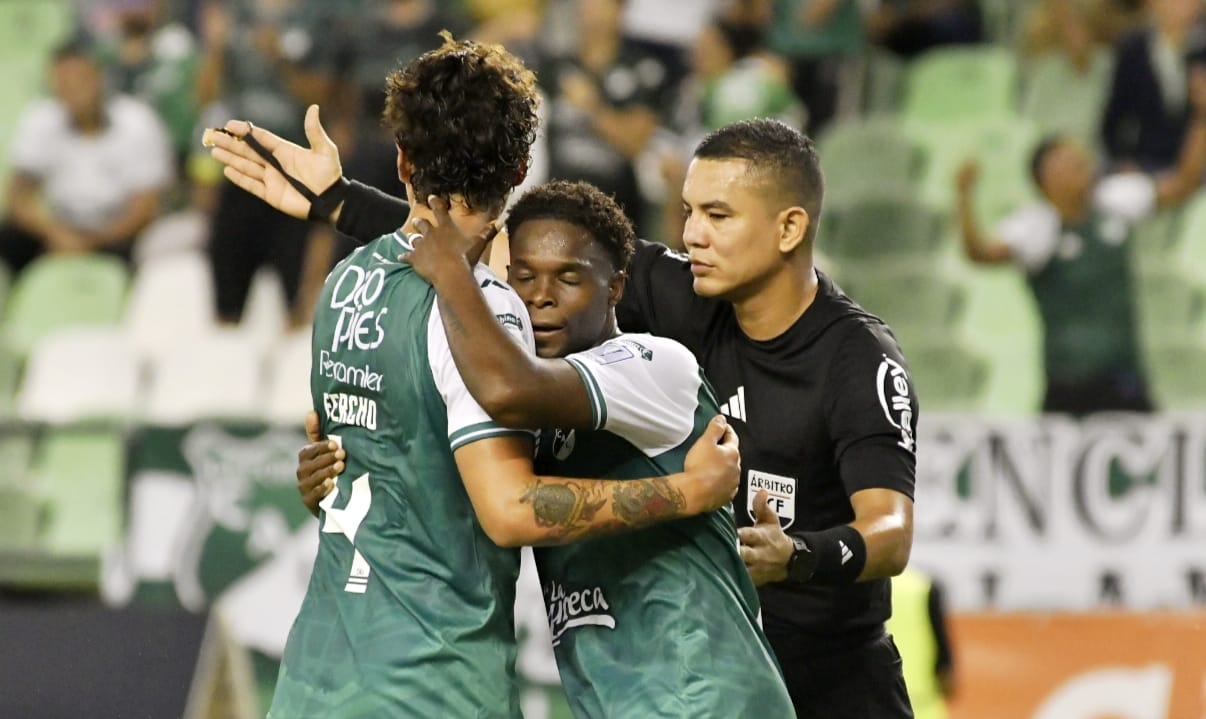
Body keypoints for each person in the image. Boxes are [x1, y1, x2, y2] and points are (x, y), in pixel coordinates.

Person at [207, 115, 918, 718]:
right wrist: (340, 201)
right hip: (677, 666)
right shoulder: (679, 293)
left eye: (719, 216)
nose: (693, 233)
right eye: (689, 212)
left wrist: (800, 554)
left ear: (791, 226)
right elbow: (505, 258)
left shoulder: (854, 355)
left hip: (825, 671)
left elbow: (889, 530)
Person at [259, 36, 740, 718]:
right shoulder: (484, 310)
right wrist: (690, 491)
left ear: (401, 160)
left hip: (315, 675)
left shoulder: (345, 282)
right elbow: (511, 508)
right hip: (431, 680)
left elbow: (350, 471)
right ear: (519, 170)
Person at [396, 180, 794, 716]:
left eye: (568, 277)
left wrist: (451, 274)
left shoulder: (653, 365)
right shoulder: (539, 423)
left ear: (615, 289)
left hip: (704, 699)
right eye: (523, 276)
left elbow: (510, 387)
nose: (540, 296)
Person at [955, 68, 1206, 416]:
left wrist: (1201, 118)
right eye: (1068, 162)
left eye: (1080, 158)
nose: (1082, 165)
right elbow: (980, 253)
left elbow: (1182, 185)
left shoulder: (1113, 201)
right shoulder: (1036, 228)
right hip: (1068, 386)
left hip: (1125, 379)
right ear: (1046, 179)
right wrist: (964, 198)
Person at [0, 37, 173, 273]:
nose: (73, 91)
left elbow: (145, 207)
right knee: (10, 238)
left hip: (118, 231)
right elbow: (18, 196)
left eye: (80, 80)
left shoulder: (137, 121)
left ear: (98, 78)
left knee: (154, 249)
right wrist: (55, 232)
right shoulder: (40, 118)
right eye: (64, 84)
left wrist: (90, 243)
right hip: (60, 226)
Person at [886, 568, 956, 719]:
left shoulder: (867, 588)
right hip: (925, 702)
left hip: (883, 700)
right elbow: (940, 638)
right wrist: (947, 669)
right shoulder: (925, 586)